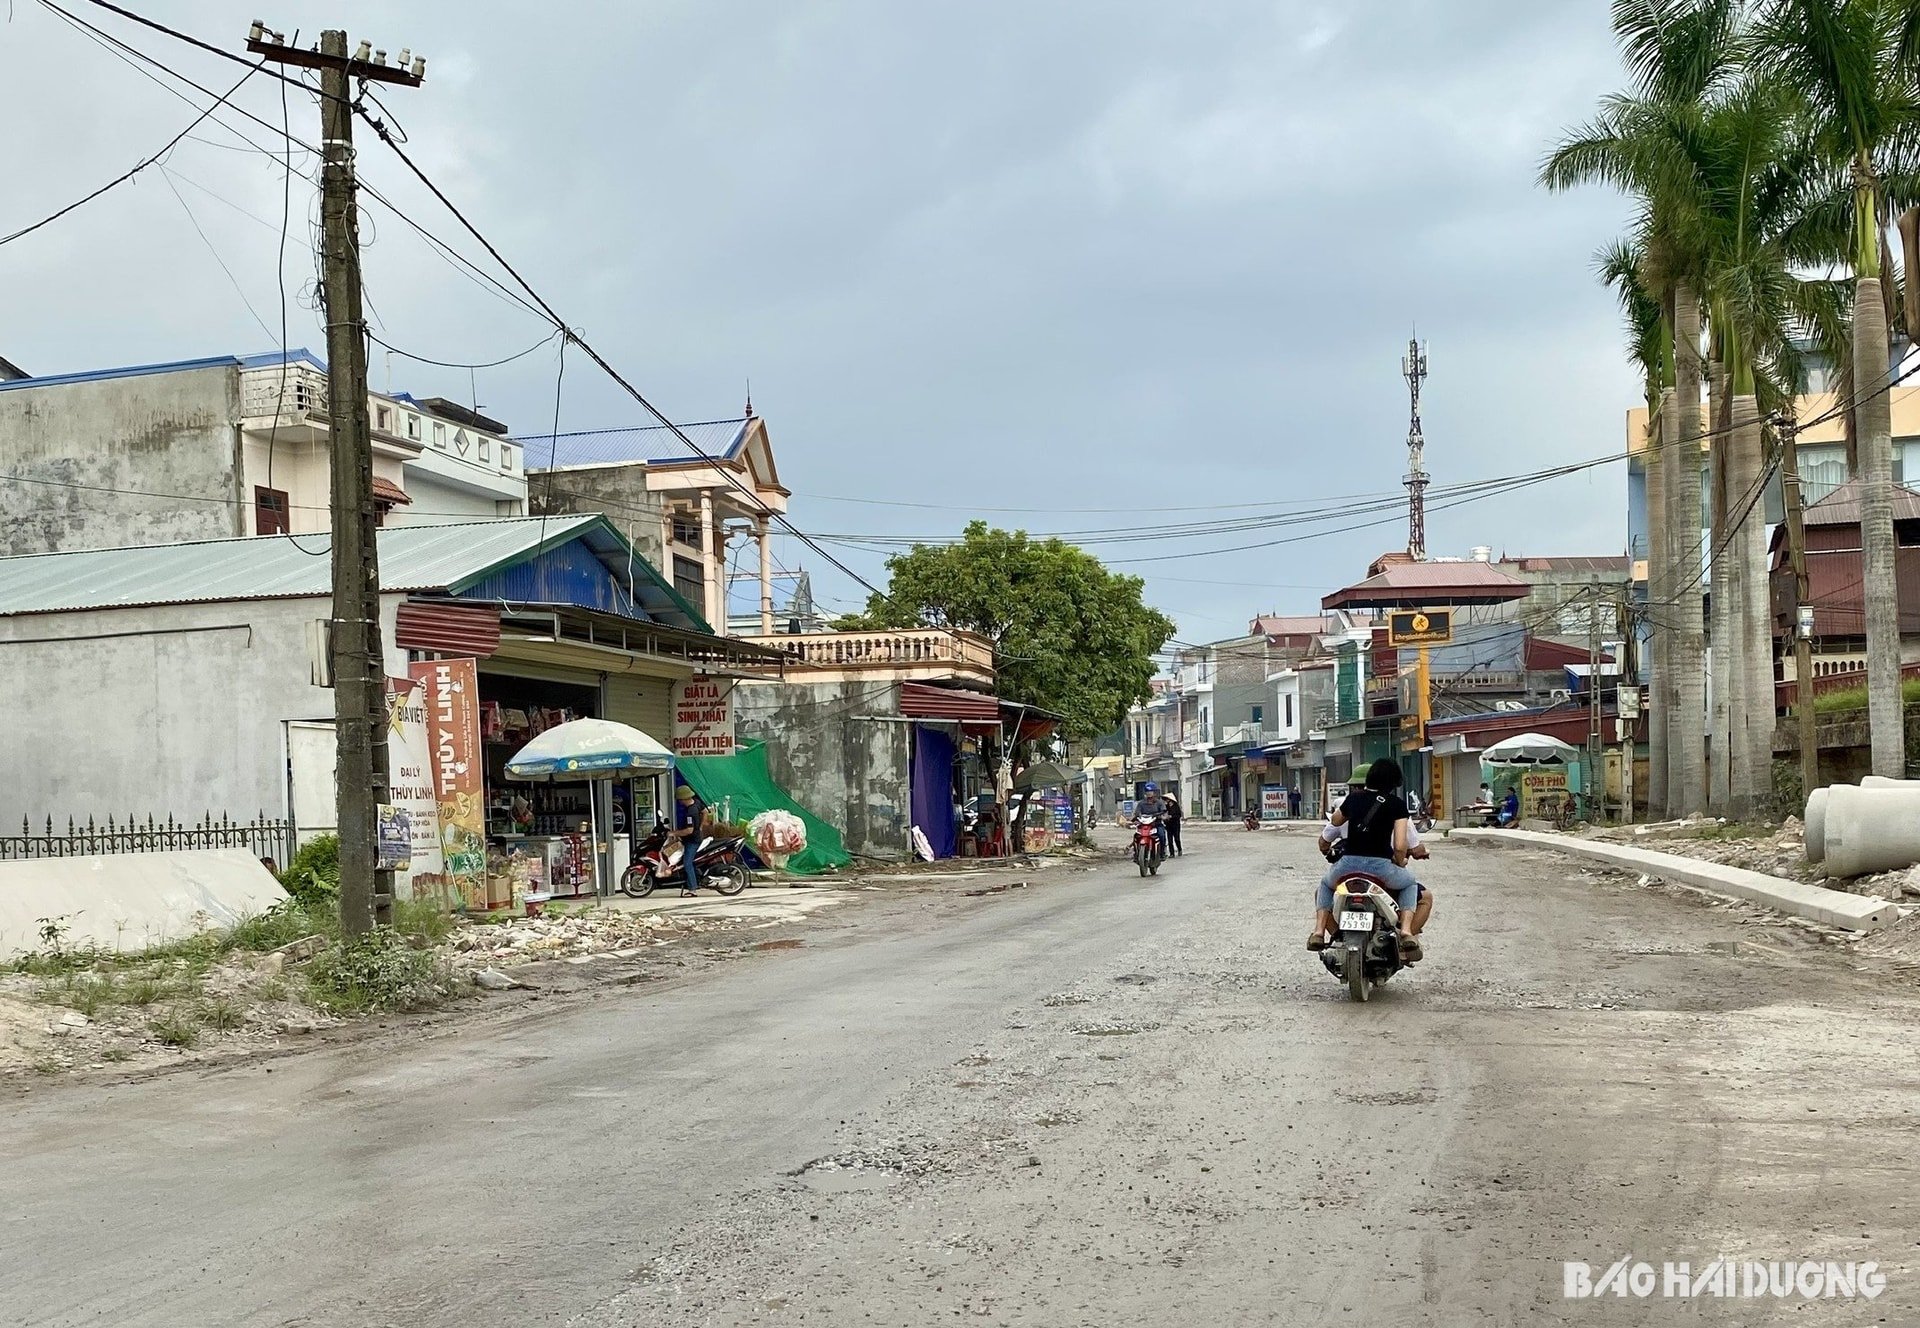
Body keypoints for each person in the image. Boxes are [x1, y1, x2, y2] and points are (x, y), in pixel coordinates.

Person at [1309, 758, 1421, 960]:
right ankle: (1405, 931)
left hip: (1348, 865)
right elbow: (1400, 846)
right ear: (1394, 782)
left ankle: (1318, 932)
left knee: (1325, 885)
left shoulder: (1353, 799)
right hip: (1381, 868)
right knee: (1410, 884)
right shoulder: (1397, 805)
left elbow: (1335, 821)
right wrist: (1400, 861)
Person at [1321, 813, 1435, 955]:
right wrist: (1406, 858)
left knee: (1322, 891)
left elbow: (1323, 842)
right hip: (1383, 872)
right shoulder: (1395, 808)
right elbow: (1403, 848)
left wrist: (1330, 853)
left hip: (1347, 871)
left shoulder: (1347, 808)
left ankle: (1331, 936)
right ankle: (1403, 941)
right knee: (1422, 895)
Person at [672, 783, 707, 896]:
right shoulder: (697, 802)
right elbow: (705, 811)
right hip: (696, 837)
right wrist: (701, 826)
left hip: (693, 840)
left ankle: (692, 889)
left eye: (680, 799)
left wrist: (674, 833)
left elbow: (689, 831)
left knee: (687, 863)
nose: (679, 802)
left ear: (683, 799)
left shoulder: (690, 812)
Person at [1162, 791, 1184, 856]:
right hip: (1168, 825)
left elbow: (1179, 815)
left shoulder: (1176, 806)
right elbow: (1164, 813)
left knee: (1177, 838)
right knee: (1169, 839)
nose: (1166, 800)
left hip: (1175, 824)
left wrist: (1171, 816)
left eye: (1167, 799)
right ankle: (1172, 853)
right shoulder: (1166, 807)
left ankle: (1179, 849)